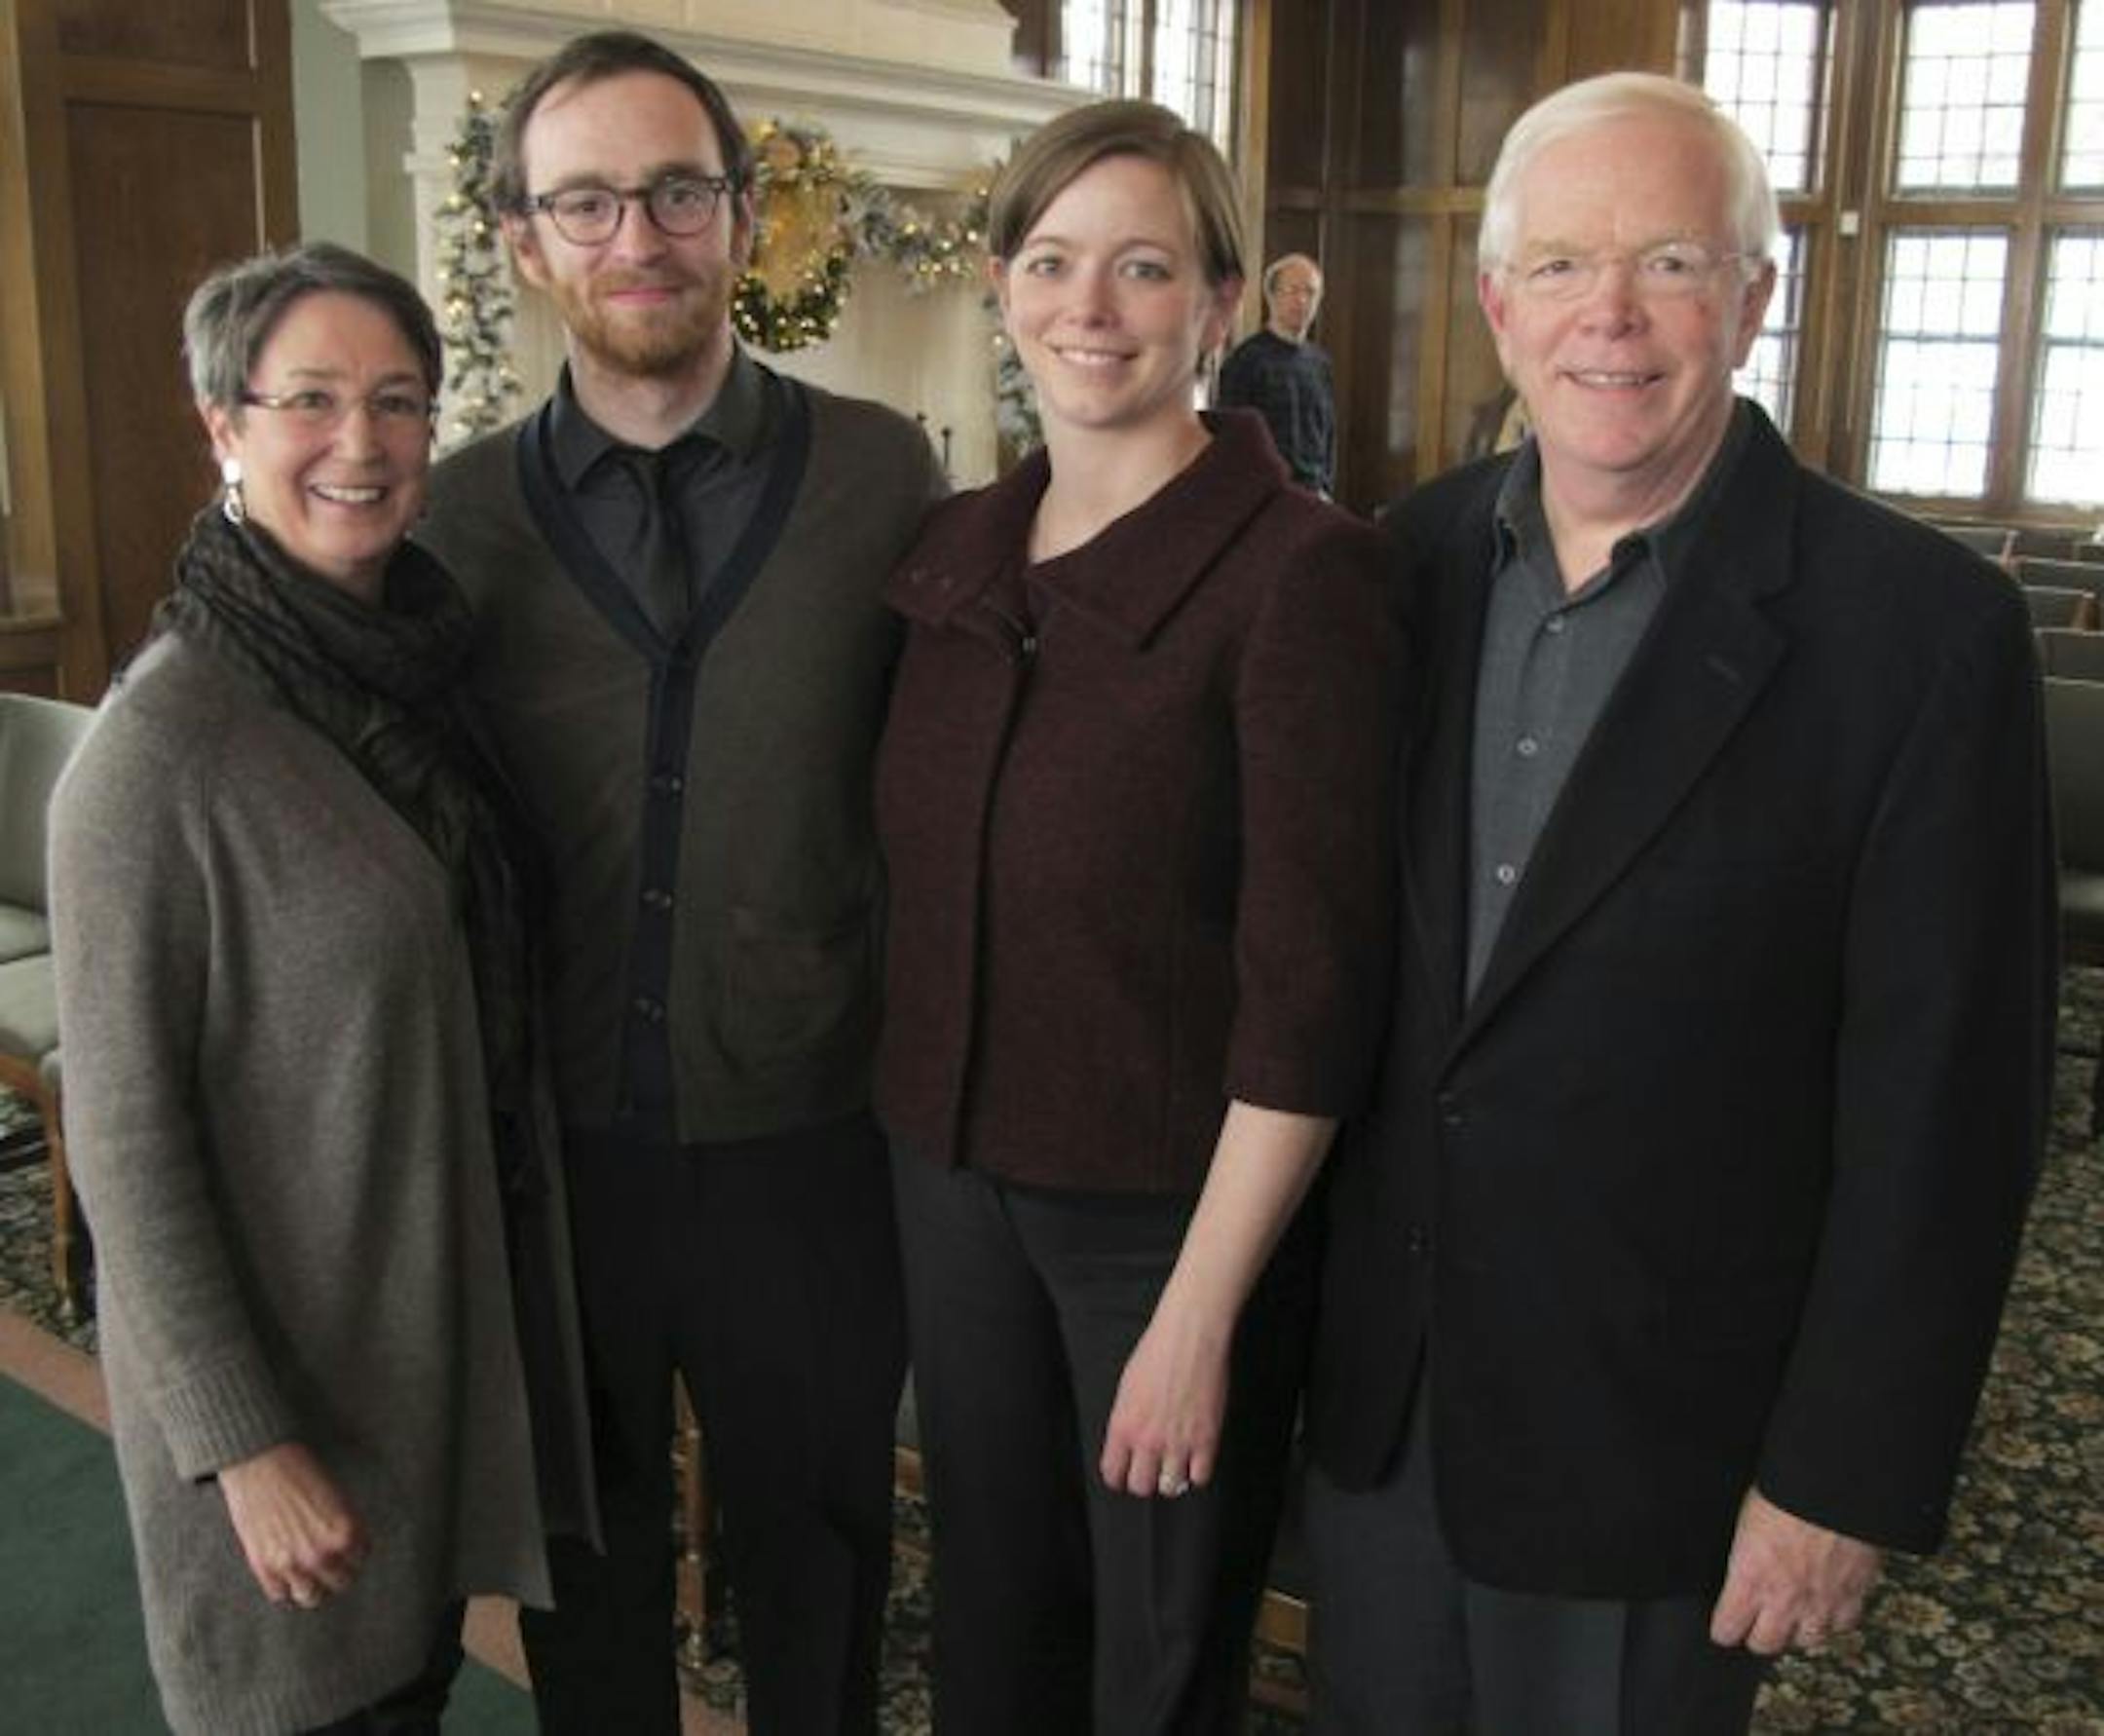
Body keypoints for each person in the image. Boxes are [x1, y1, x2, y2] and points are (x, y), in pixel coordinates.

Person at [1304, 71, 2056, 1735]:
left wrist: (1840, 1471)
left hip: (1669, 1450)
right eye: (1563, 266)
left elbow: (1948, 1113)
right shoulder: (1396, 565)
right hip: (1388, 1418)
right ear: (1500, 304)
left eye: (1672, 263)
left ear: (1756, 298)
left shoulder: (1918, 637)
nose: (1613, 319)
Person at [415, 30, 943, 1736]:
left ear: (740, 213)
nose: (634, 234)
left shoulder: (882, 475)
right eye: (585, 200)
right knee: (588, 1579)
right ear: (521, 240)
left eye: (674, 190)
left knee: (825, 1565)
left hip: (812, 1142)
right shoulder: (451, 520)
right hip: (553, 1152)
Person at [875, 100, 1402, 1735]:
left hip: (1166, 1228)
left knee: (1158, 1661)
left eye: (1145, 265)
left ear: (1222, 307)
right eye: (1051, 259)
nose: (1089, 306)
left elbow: (1312, 988)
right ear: (1000, 281)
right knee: (990, 1618)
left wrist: (1198, 1308)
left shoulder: (1302, 573)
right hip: (952, 1181)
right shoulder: (954, 547)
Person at [48, 242, 596, 1736]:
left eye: (398, 401)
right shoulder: (160, 753)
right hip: (281, 1411)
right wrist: (244, 1446)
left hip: (404, 1366)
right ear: (224, 424)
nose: (360, 443)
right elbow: (124, 1143)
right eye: (309, 400)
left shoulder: (419, 669)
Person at [1216, 251, 1335, 494]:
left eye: (1310, 292)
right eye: (1292, 290)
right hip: (1265, 494)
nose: (1302, 300)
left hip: (1314, 494)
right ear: (1271, 295)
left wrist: (1326, 487)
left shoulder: (1320, 363)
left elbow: (1328, 435)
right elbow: (1230, 440)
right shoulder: (1246, 361)